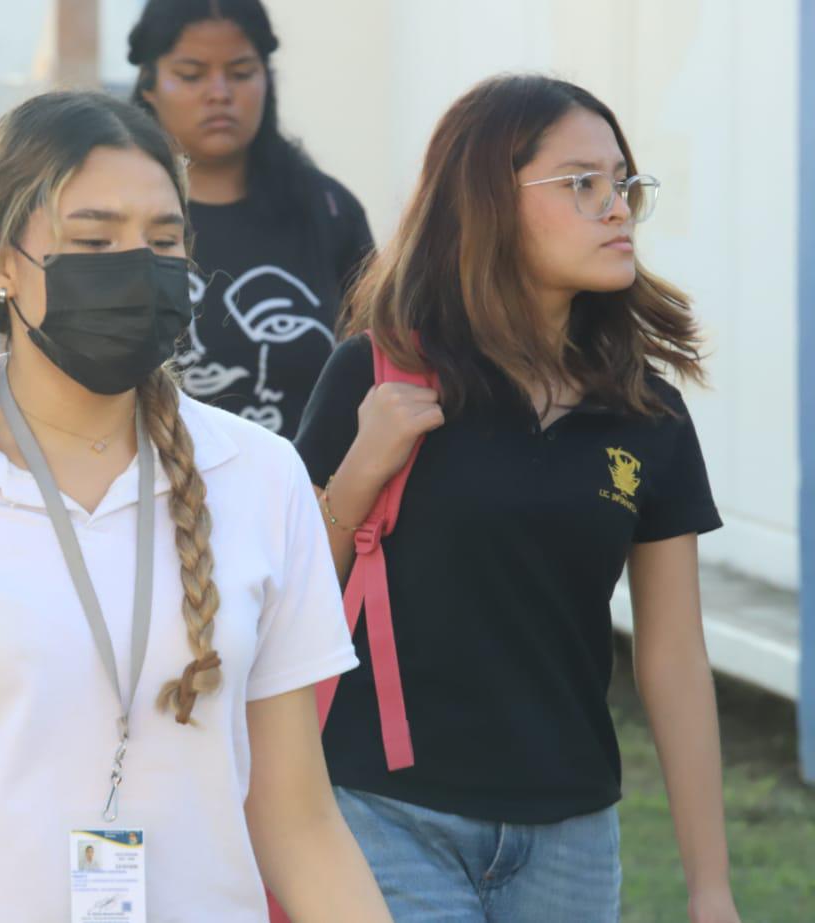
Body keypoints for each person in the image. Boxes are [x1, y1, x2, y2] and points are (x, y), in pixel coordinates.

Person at [0, 90, 393, 923]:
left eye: (164, 240)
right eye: (94, 239)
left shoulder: (261, 476)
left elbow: (299, 820)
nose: (138, 264)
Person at [295, 74, 741, 923]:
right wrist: (360, 472)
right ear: (486, 200)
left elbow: (675, 656)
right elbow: (282, 599)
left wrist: (710, 888)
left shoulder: (647, 410)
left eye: (623, 182)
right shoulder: (376, 373)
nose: (617, 207)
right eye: (582, 183)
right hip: (385, 814)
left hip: (572, 830)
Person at [128, 0, 373, 439]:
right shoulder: (116, 217)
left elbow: (379, 364)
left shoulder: (328, 211)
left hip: (315, 497)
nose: (219, 92)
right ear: (149, 83)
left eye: (241, 73)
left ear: (266, 78)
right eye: (191, 74)